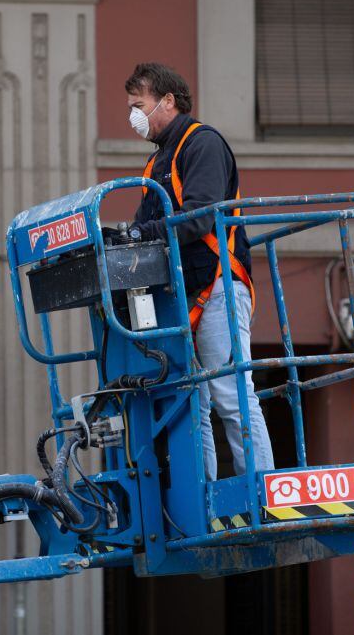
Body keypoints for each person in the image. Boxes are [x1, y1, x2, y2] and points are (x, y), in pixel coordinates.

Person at [124, 62, 274, 480]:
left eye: (140, 105)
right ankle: (202, 498)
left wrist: (138, 232)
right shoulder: (157, 163)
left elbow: (200, 218)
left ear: (168, 101)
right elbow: (146, 226)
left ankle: (261, 493)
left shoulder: (201, 144)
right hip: (187, 293)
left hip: (220, 286)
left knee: (230, 392)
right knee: (193, 401)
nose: (134, 116)